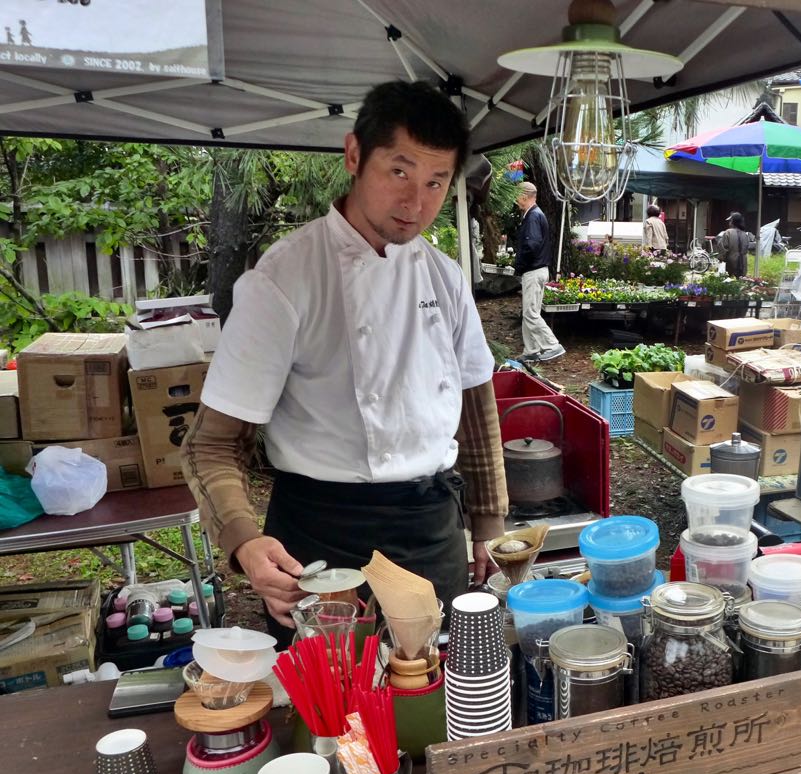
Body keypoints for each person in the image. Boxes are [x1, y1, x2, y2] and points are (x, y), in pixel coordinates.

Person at [180, 81, 508, 647]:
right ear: (353, 155)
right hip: (323, 537)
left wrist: (489, 525)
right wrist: (242, 540)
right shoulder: (282, 281)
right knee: (334, 720)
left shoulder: (444, 277)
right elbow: (208, 445)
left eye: (435, 182)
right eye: (399, 173)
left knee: (437, 701)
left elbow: (477, 411)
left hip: (431, 528)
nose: (416, 203)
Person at [513, 182, 565, 362]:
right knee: (530, 311)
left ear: (525, 196)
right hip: (538, 269)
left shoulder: (533, 216)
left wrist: (520, 263)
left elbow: (531, 244)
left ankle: (552, 345)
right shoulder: (535, 214)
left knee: (530, 313)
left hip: (533, 270)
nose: (515, 199)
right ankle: (531, 349)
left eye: (517, 195)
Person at [716, 211, 756, 277]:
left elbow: (723, 248)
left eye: (730, 221)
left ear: (733, 222)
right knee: (740, 281)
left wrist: (721, 259)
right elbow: (746, 248)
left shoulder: (728, 232)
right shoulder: (744, 234)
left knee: (731, 281)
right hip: (743, 262)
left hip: (731, 262)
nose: (729, 222)